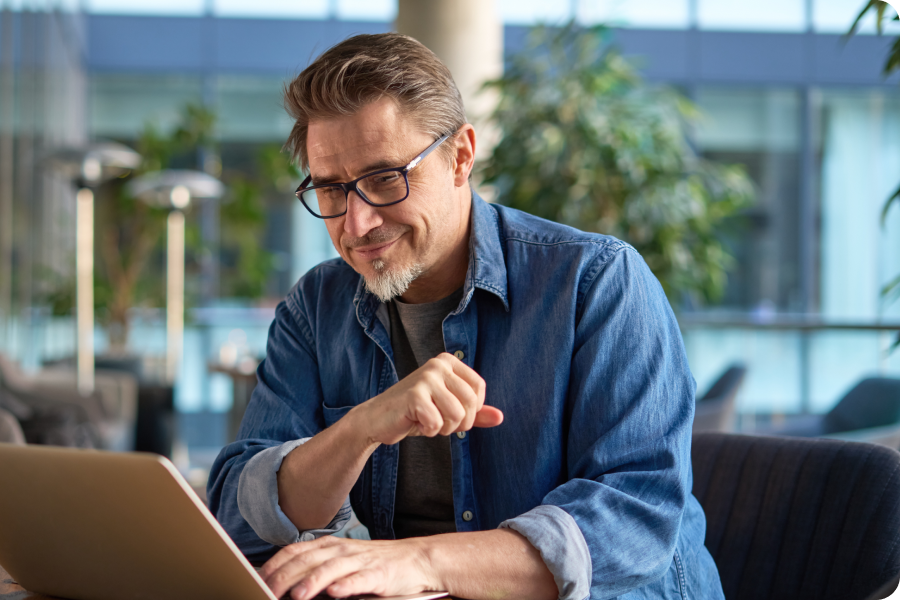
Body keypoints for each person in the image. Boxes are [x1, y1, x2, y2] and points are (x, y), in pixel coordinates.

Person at [207, 33, 724, 600]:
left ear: (461, 157)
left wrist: (417, 561)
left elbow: (635, 520)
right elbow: (239, 519)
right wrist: (359, 430)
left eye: (384, 180)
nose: (355, 226)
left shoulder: (597, 282)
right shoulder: (316, 308)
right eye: (331, 190)